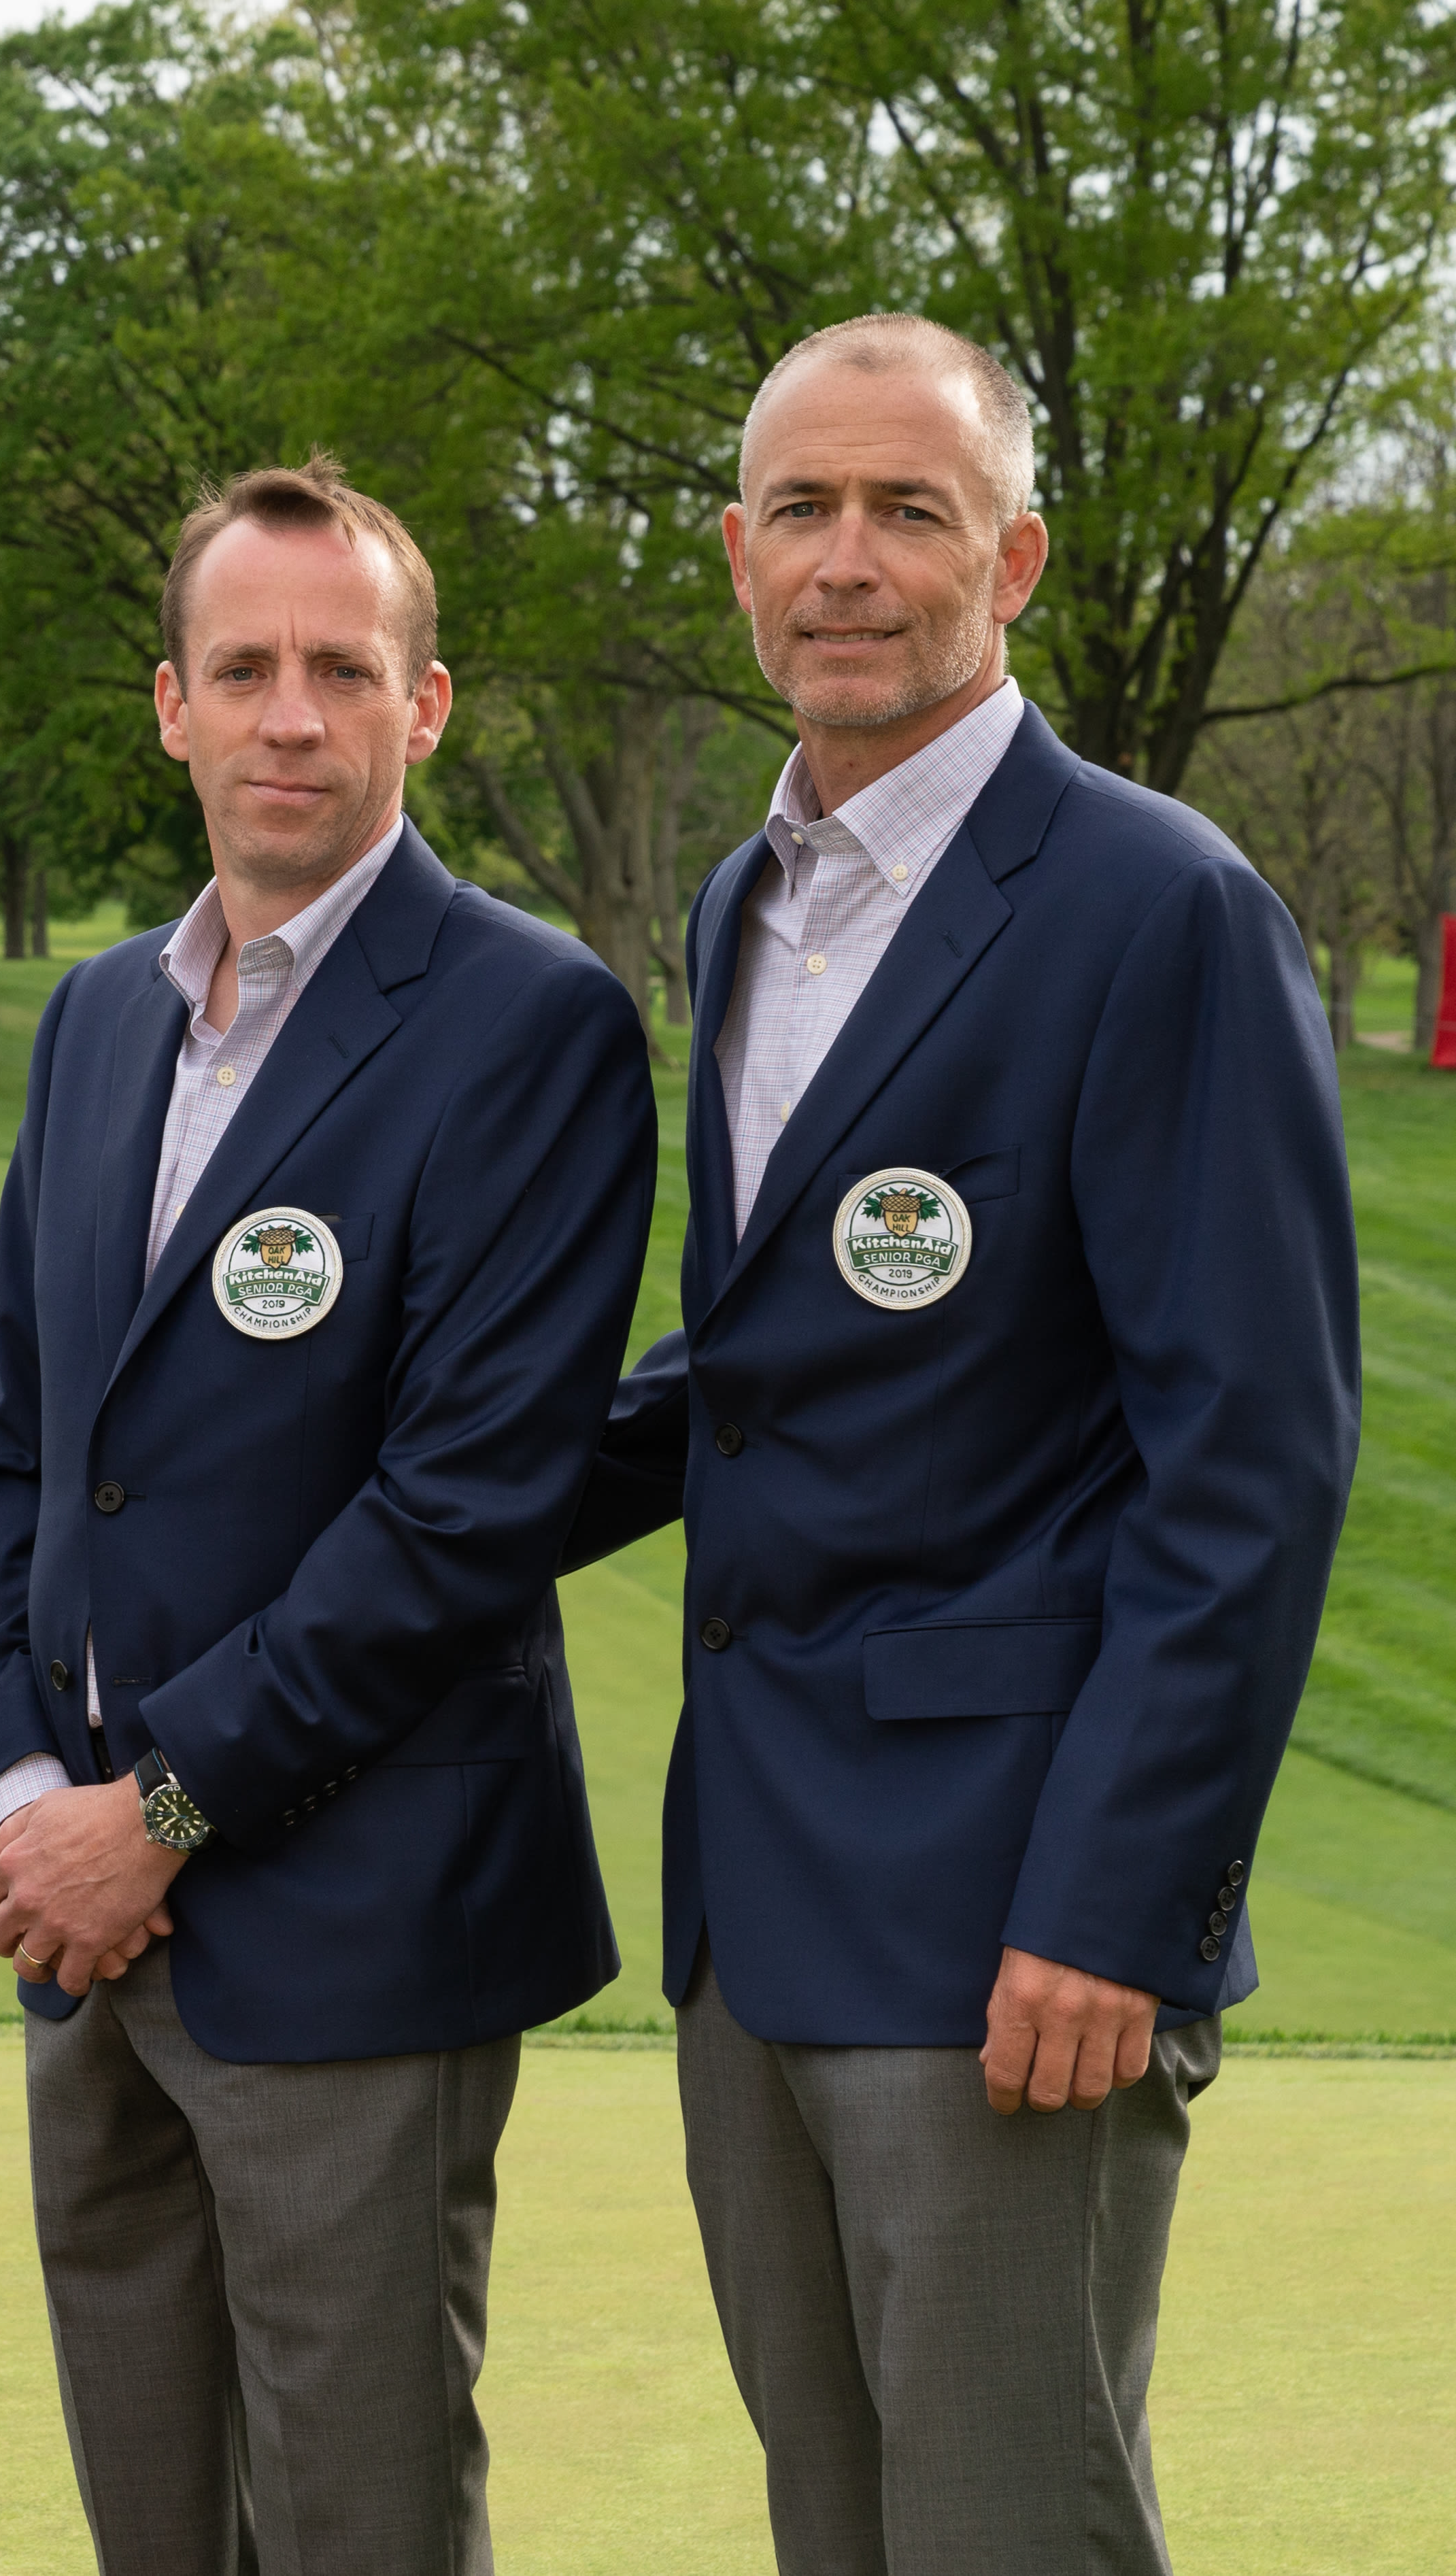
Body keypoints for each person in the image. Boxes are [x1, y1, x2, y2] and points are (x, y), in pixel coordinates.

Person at [569, 313, 1361, 2573]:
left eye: (906, 510)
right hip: (759, 1903)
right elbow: (757, 1368)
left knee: (1007, 2529)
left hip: (1012, 1921)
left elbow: (1252, 1462)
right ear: (734, 553)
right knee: (840, 2529)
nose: (846, 559)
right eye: (801, 508)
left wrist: (1116, 1903)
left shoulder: (1161, 908)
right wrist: (387, 1500)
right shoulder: (748, 907)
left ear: (1005, 561)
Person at [0, 458, 655, 2576]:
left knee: (353, 2530)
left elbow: (461, 1507)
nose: (287, 716)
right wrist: (15, 1796)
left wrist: (147, 1810)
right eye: (239, 667)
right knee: (151, 2527)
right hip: (77, 1925)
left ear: (420, 709)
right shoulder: (96, 1018)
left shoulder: (529, 1025)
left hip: (356, 1921)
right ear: (165, 705)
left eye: (340, 669)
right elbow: (11, 1453)